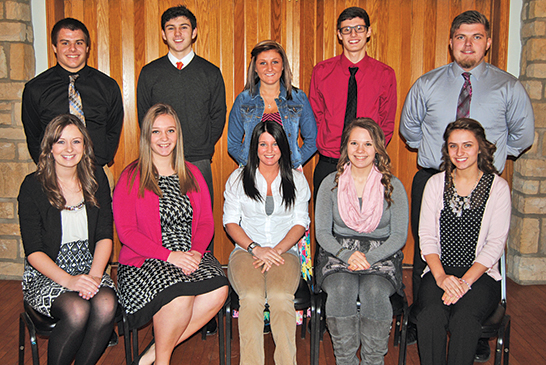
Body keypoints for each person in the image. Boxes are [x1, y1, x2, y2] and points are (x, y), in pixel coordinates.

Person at [399, 10, 533, 359]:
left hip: (483, 183)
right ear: (450, 41)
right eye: (461, 36)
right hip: (433, 177)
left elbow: (523, 136)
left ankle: (470, 331)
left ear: (487, 42)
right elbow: (409, 131)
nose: (468, 44)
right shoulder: (427, 84)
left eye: (476, 37)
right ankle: (424, 319)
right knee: (427, 254)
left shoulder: (508, 86)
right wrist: (441, 158)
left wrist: (487, 161)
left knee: (482, 254)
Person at [113, 103, 229, 365]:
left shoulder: (192, 173)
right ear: (146, 136)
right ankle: (162, 360)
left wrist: (196, 253)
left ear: (178, 135)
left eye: (170, 131)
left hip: (190, 252)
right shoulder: (132, 177)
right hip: (146, 258)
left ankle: (150, 356)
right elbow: (126, 232)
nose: (164, 138)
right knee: (179, 294)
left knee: (219, 289)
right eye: (156, 132)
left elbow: (206, 222)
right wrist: (169, 256)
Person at [18, 114, 117, 365]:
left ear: (85, 146)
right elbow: (34, 251)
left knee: (106, 303)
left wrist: (94, 277)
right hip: (47, 273)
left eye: (76, 141)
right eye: (61, 142)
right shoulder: (32, 186)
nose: (69, 149)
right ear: (49, 147)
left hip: (89, 267)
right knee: (77, 310)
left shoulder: (96, 179)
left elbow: (105, 235)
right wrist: (70, 281)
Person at [416, 119, 511, 365]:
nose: (460, 153)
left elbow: (495, 244)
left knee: (464, 319)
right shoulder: (435, 184)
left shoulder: (498, 188)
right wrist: (441, 278)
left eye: (467, 145)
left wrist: (464, 283)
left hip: (480, 276)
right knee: (431, 316)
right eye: (453, 146)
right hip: (439, 271)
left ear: (480, 147)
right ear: (446, 149)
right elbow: (426, 237)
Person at [315, 118, 408, 365]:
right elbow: (322, 233)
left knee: (375, 291)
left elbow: (399, 236)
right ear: (345, 146)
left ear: (377, 148)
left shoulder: (393, 187)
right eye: (354, 143)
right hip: (338, 251)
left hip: (381, 254)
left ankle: (372, 361)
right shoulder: (329, 184)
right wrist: (346, 255)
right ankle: (346, 361)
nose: (360, 150)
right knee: (341, 289)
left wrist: (369, 258)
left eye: (367, 144)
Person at [224, 121, 311, 365]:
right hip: (246, 251)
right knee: (251, 297)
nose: (269, 150)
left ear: (283, 146)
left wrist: (277, 250)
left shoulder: (297, 180)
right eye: (263, 144)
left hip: (284, 252)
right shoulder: (238, 179)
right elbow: (230, 222)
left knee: (280, 296)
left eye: (274, 143)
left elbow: (300, 223)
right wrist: (256, 248)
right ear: (255, 147)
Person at [137, 5, 226, 208]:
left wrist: (200, 145)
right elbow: (145, 117)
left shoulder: (210, 72)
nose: (177, 33)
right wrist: (162, 147)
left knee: (200, 222)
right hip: (160, 160)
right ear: (163, 34)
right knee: (160, 222)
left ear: (194, 32)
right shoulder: (149, 73)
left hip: (198, 161)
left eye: (184, 27)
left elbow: (218, 115)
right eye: (171, 28)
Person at [309, 6, 397, 193]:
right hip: (329, 162)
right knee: (326, 221)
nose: (353, 34)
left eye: (359, 28)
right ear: (339, 35)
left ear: (369, 32)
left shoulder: (385, 74)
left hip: (367, 164)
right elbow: (314, 116)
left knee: (368, 220)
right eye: (346, 29)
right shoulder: (322, 71)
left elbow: (387, 122)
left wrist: (368, 152)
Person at [22, 17, 124, 170]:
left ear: (87, 47)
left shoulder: (107, 86)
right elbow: (33, 133)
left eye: (79, 43)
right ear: (55, 47)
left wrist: (101, 158)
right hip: (53, 172)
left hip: (96, 170)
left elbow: (113, 128)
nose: (72, 49)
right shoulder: (35, 88)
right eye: (65, 43)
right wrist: (46, 166)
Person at [227, 40, 317, 169]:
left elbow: (312, 141)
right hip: (252, 173)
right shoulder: (243, 100)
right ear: (255, 68)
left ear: (283, 65)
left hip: (288, 173)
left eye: (275, 62)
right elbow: (233, 144)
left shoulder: (298, 98)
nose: (269, 68)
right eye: (263, 63)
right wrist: (250, 166)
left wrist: (293, 163)